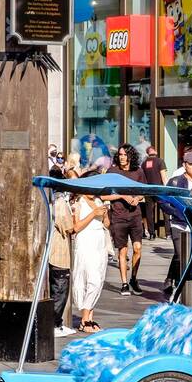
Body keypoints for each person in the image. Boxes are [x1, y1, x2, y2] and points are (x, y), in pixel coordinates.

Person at [163, 151, 192, 297]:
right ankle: (178, 283)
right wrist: (177, 212)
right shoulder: (175, 181)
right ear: (184, 165)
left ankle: (191, 283)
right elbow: (163, 202)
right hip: (179, 224)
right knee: (180, 254)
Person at [107, 144, 147, 296]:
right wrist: (122, 196)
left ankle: (133, 279)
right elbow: (105, 194)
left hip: (135, 216)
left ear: (131, 156)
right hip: (118, 216)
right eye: (120, 154)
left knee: (137, 249)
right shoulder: (112, 171)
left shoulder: (138, 171)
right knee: (122, 251)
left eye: (125, 155)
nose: (122, 157)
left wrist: (137, 198)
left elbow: (144, 191)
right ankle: (124, 283)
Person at [70, 190, 110, 332]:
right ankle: (84, 319)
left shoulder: (99, 201)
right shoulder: (79, 203)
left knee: (99, 277)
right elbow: (76, 227)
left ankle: (90, 318)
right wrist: (93, 213)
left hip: (99, 242)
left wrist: (105, 214)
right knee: (91, 280)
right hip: (86, 241)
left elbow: (107, 224)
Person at [46, 170, 76, 337]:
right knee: (60, 289)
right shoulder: (59, 202)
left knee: (55, 288)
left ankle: (55, 323)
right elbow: (69, 227)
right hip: (59, 252)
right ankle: (55, 324)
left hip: (50, 250)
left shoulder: (48, 200)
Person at [139, 144, 166, 239]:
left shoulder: (144, 163)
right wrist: (166, 187)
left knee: (149, 212)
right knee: (165, 209)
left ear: (147, 153)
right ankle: (168, 233)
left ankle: (151, 233)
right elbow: (163, 176)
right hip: (159, 189)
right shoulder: (160, 161)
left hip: (148, 189)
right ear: (156, 152)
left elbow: (142, 177)